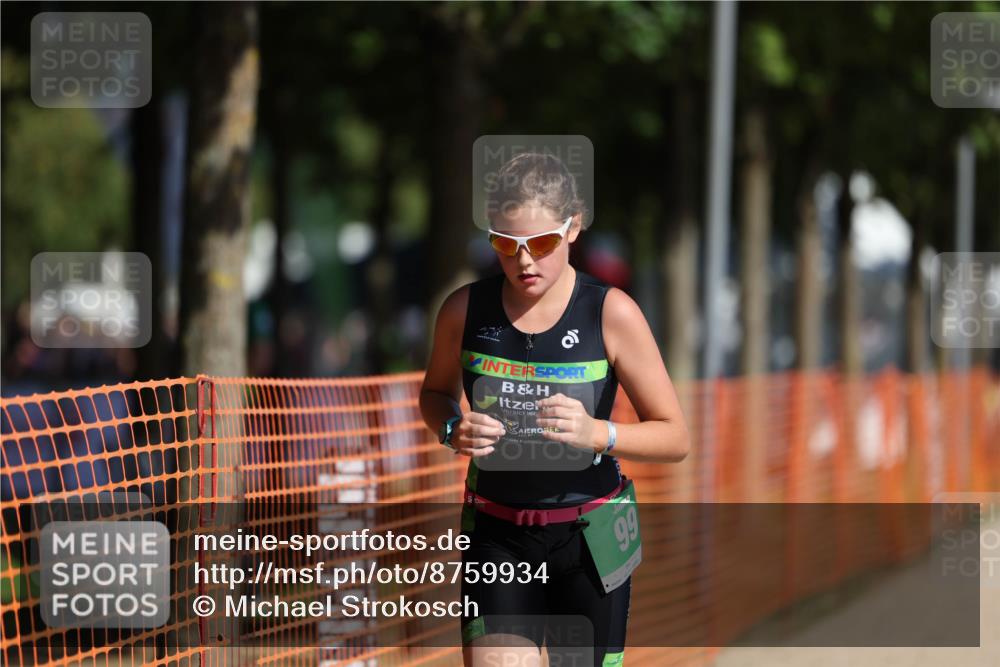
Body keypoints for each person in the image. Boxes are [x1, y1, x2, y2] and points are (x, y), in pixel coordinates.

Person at [420, 152, 690, 667]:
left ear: (574, 228)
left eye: (541, 244)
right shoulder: (463, 310)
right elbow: (433, 395)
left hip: (588, 541)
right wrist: (452, 426)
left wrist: (599, 433)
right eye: (505, 244)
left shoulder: (611, 312)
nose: (524, 262)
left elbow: (675, 437)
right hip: (498, 536)